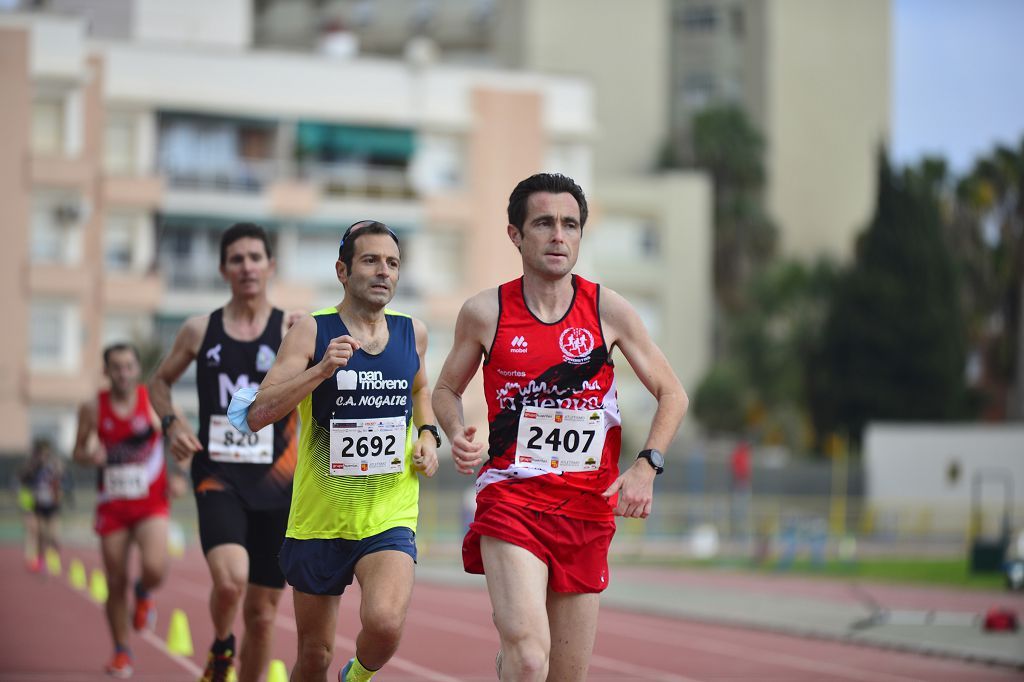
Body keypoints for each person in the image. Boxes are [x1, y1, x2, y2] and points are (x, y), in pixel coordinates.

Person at [432, 173, 688, 681]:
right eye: (544, 223)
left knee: (564, 676)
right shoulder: (485, 312)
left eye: (570, 225)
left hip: (586, 509)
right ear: (515, 235)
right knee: (530, 658)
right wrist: (458, 431)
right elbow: (444, 391)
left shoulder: (606, 309)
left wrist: (646, 464)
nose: (558, 236)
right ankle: (516, 659)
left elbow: (672, 394)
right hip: (512, 500)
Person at [230, 220, 439, 682]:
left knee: (384, 624)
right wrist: (321, 370)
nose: (383, 272)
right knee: (313, 655)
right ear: (343, 270)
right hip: (319, 520)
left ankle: (357, 676)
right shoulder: (311, 331)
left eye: (392, 264)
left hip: (389, 513)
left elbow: (421, 388)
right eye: (370, 261)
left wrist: (427, 434)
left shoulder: (413, 333)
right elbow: (256, 413)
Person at [149, 223, 299, 682]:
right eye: (237, 258)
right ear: (223, 269)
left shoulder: (294, 330)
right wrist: (171, 422)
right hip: (218, 475)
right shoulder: (200, 330)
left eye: (256, 257)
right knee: (231, 581)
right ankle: (220, 645)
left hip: (279, 481)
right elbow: (158, 384)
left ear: (270, 266)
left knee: (262, 614)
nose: (247, 266)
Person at [73, 343, 181, 678]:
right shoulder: (93, 408)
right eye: (116, 367)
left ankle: (144, 591)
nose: (123, 372)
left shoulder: (151, 401)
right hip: (113, 506)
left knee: (154, 567)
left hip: (151, 502)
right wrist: (90, 456)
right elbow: (77, 450)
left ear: (136, 369)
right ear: (106, 371)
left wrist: (177, 475)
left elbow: (175, 437)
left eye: (128, 366)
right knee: (115, 580)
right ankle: (121, 651)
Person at [18, 439, 64, 573]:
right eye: (41, 452)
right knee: (37, 534)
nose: (44, 455)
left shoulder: (54, 466)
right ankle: (37, 560)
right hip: (36, 506)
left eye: (46, 452)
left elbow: (60, 481)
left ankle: (52, 556)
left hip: (52, 507)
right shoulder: (31, 467)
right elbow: (23, 482)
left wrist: (57, 495)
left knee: (53, 535)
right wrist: (27, 507)